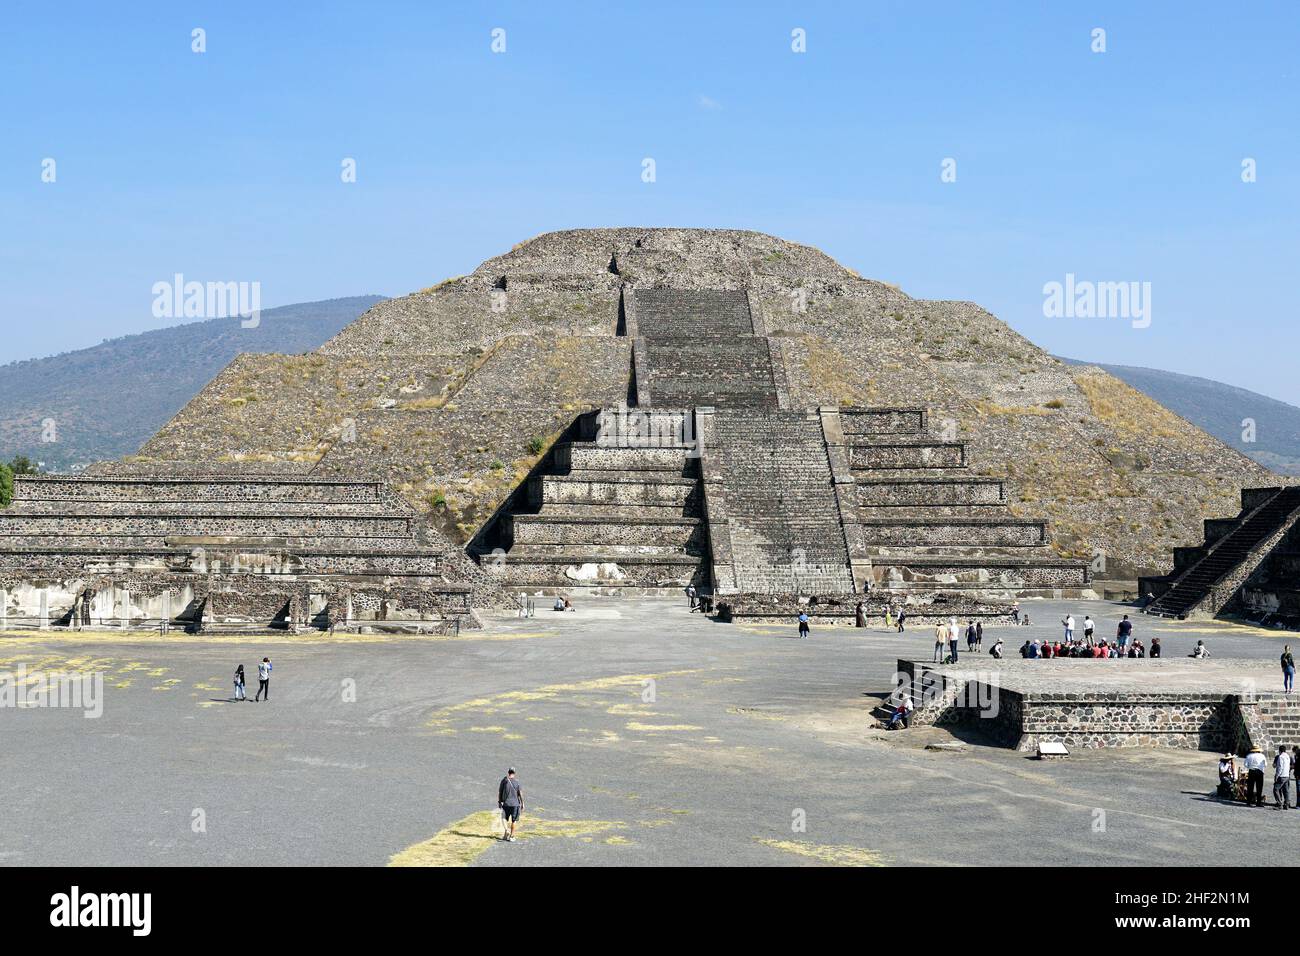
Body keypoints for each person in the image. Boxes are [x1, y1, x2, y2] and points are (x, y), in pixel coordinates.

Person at [498, 767, 525, 841]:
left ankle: (506, 831)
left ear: (508, 772)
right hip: (515, 804)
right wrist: (522, 803)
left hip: (506, 804)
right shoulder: (517, 782)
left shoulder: (504, 781)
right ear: (514, 773)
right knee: (514, 821)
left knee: (504, 817)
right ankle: (512, 836)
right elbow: (520, 794)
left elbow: (500, 792)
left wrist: (499, 802)